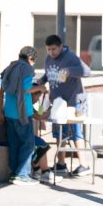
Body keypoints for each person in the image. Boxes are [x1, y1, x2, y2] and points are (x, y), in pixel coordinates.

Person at [37, 34, 91, 176]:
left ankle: (84, 165)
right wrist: (41, 80)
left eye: (54, 49)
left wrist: (70, 71)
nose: (51, 52)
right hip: (58, 102)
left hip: (76, 99)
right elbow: (49, 74)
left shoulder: (71, 57)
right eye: (48, 49)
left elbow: (87, 72)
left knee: (76, 131)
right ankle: (61, 163)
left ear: (61, 46)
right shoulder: (48, 58)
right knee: (59, 131)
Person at [0, 46, 47, 185]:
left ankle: (14, 174)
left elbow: (3, 89)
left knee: (14, 143)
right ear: (30, 59)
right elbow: (25, 89)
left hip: (9, 111)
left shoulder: (10, 67)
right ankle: (23, 175)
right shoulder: (27, 68)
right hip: (22, 113)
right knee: (28, 144)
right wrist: (40, 88)